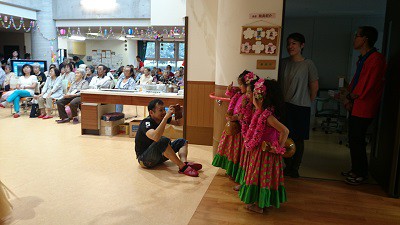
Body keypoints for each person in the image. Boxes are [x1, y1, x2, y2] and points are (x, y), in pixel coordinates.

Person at [342, 26, 386, 185]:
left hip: (364, 107)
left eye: (357, 36)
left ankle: (361, 173)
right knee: (353, 140)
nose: (355, 39)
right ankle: (355, 169)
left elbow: (366, 86)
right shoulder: (363, 58)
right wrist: (348, 98)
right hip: (356, 106)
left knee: (358, 140)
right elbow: (356, 82)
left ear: (365, 38)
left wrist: (350, 97)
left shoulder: (376, 59)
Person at [239, 79, 289, 213]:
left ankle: (259, 205)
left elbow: (285, 131)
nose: (252, 98)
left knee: (261, 177)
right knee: (261, 178)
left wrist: (277, 147)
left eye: (255, 95)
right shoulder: (261, 113)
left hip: (265, 153)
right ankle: (261, 202)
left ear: (261, 98)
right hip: (259, 151)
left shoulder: (268, 117)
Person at [279, 32, 319, 178]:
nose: (290, 46)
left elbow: (314, 86)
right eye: (288, 43)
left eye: (294, 43)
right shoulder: (283, 62)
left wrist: (306, 101)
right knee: (283, 136)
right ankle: (287, 166)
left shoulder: (308, 64)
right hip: (284, 106)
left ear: (302, 45)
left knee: (298, 138)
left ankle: (295, 168)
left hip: (301, 106)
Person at [135, 99, 202, 177]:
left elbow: (179, 123)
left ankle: (184, 163)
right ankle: (182, 167)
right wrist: (165, 118)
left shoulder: (161, 118)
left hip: (158, 156)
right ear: (151, 112)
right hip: (145, 160)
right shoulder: (146, 122)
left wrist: (179, 113)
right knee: (162, 140)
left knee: (182, 141)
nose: (163, 112)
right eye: (160, 110)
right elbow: (155, 137)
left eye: (164, 109)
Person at [212, 70, 249, 180]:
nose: (240, 86)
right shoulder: (239, 95)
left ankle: (236, 173)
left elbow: (244, 114)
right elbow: (233, 101)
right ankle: (230, 170)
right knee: (231, 151)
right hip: (233, 128)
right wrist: (229, 91)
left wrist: (235, 117)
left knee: (238, 154)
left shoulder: (248, 98)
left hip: (240, 130)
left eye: (242, 84)